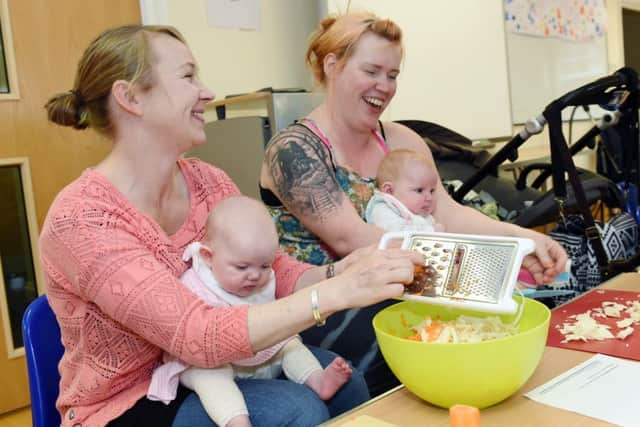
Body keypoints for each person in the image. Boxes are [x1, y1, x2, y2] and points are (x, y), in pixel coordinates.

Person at [40, 24, 424, 427]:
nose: (206, 92)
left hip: (220, 364)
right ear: (131, 97)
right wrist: (337, 292)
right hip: (132, 400)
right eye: (188, 76)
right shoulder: (82, 218)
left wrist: (339, 271)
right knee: (297, 410)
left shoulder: (208, 181)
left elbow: (272, 269)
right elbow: (196, 333)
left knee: (347, 384)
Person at [259, 12, 568, 396]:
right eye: (372, 71)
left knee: (498, 321)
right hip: (323, 307)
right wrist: (489, 268)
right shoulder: (294, 150)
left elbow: (448, 212)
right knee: (435, 336)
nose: (384, 87)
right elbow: (354, 240)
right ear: (332, 65)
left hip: (404, 284)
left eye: (393, 75)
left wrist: (521, 240)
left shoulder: (402, 140)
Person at [148, 196, 353, 427]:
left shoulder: (257, 275)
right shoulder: (194, 285)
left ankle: (317, 379)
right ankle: (236, 420)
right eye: (242, 267)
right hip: (211, 360)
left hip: (259, 353)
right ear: (208, 257)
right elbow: (194, 338)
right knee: (210, 377)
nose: (255, 276)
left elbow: (286, 279)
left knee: (291, 344)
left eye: (265, 265)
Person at [365, 149, 445, 233]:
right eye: (419, 190)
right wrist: (431, 231)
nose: (429, 198)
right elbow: (395, 232)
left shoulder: (419, 213)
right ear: (389, 191)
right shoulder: (382, 209)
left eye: (432, 191)